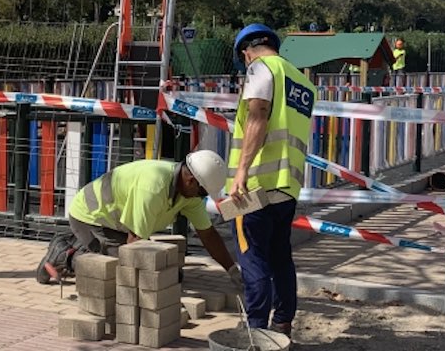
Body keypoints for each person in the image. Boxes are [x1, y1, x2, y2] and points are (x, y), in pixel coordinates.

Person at [36, 150, 243, 292]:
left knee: (170, 275)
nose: (201, 198)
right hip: (89, 218)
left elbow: (208, 234)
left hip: (114, 223)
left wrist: (232, 270)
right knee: (116, 269)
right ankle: (64, 254)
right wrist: (159, 296)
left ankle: (80, 243)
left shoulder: (188, 194)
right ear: (191, 180)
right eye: (202, 192)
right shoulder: (152, 187)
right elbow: (136, 245)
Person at [227, 23, 316, 339]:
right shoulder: (303, 83)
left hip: (255, 187)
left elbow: (258, 115)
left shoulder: (260, 68)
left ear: (247, 51)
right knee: (280, 256)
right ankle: (282, 324)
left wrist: (240, 172)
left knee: (253, 257)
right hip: (287, 187)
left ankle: (256, 330)